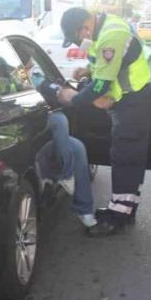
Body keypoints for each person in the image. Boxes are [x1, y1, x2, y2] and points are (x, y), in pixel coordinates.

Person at [56, 7, 151, 236]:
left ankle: (117, 216)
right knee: (130, 158)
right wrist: (87, 70)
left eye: (77, 37)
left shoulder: (111, 34)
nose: (79, 41)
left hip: (133, 103)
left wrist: (75, 99)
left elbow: (101, 85)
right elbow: (106, 63)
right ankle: (126, 208)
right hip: (131, 101)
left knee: (125, 158)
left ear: (85, 27)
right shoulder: (105, 27)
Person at [28, 63, 112, 234]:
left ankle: (84, 211)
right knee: (60, 120)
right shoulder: (20, 72)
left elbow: (53, 89)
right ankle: (66, 174)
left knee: (78, 147)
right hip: (26, 132)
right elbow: (55, 91)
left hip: (39, 135)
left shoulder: (30, 71)